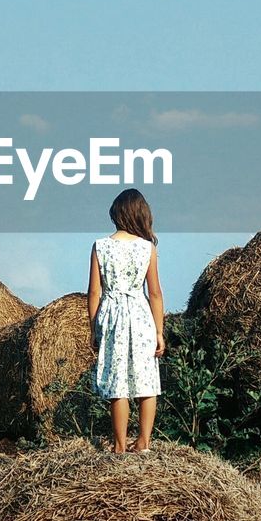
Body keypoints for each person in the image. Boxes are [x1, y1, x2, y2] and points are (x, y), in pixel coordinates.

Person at [87, 187, 164, 453]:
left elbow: (94, 292)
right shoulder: (147, 249)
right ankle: (143, 441)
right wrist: (159, 332)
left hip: (111, 317)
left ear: (116, 214)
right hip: (141, 316)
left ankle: (119, 445)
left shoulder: (100, 246)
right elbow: (154, 293)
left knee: (117, 380)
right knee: (146, 378)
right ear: (141, 214)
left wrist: (94, 329)